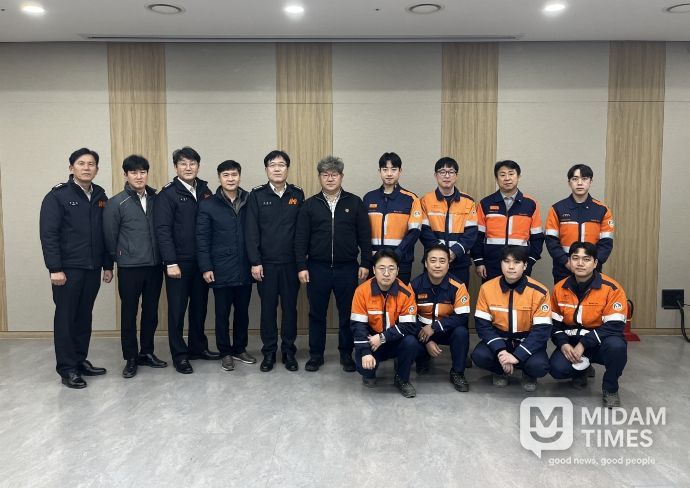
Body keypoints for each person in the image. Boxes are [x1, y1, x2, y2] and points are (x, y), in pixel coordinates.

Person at [39, 147, 113, 388]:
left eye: (91, 164)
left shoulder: (100, 196)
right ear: (71, 168)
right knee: (66, 318)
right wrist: (55, 268)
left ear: (97, 169)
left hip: (92, 268)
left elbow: (105, 234)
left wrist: (107, 265)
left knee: (84, 316)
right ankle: (67, 368)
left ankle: (80, 360)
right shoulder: (57, 196)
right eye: (81, 163)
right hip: (68, 270)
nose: (86, 168)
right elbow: (49, 235)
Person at [295, 155, 372, 372]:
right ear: (319, 177)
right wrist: (301, 266)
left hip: (347, 268)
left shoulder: (354, 202)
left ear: (341, 176)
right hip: (316, 268)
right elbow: (300, 238)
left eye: (334, 174)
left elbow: (365, 236)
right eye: (325, 174)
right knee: (316, 314)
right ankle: (316, 355)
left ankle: (346, 354)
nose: (330, 178)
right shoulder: (310, 205)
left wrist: (365, 262)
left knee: (347, 314)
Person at [155, 146, 219, 375]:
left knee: (200, 307)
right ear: (176, 167)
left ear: (198, 166)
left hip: (202, 261)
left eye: (192, 163)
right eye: (183, 163)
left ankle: (198, 347)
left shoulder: (205, 190)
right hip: (178, 262)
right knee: (177, 310)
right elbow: (162, 230)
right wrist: (170, 262)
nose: (188, 167)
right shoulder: (167, 194)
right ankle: (180, 355)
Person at [103, 155, 166, 379]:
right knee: (129, 314)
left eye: (142, 172)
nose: (139, 176)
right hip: (130, 267)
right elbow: (109, 236)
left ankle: (147, 352)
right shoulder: (116, 203)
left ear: (147, 173)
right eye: (134, 172)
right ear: (126, 175)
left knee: (151, 312)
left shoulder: (158, 199)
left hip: (155, 265)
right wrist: (114, 262)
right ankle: (131, 358)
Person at [548, 241, 628, 408]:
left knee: (617, 348)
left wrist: (584, 343)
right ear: (569, 261)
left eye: (586, 259)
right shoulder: (559, 288)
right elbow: (554, 325)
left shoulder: (612, 289)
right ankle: (581, 370)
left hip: (601, 343)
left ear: (595, 263)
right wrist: (563, 344)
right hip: (572, 343)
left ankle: (610, 388)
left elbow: (614, 326)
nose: (580, 263)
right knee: (557, 369)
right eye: (575, 258)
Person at [245, 150, 304, 372]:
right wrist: (255, 261)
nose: (277, 168)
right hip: (266, 265)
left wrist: (301, 263)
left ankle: (289, 351)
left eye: (281, 165)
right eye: (272, 165)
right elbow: (251, 231)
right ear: (266, 169)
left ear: (287, 169)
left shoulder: (297, 195)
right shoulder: (257, 195)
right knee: (268, 310)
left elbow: (302, 232)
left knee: (290, 309)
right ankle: (269, 352)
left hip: (290, 264)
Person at [197, 160, 254, 372]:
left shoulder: (250, 199)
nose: (231, 179)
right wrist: (206, 267)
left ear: (240, 176)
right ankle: (225, 352)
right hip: (220, 268)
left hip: (245, 266)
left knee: (242, 312)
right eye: (226, 175)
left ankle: (240, 348)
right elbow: (202, 238)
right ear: (219, 178)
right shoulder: (208, 204)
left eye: (234, 175)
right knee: (221, 314)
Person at [471, 246, 552, 392]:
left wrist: (518, 356)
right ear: (500, 264)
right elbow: (483, 326)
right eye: (506, 261)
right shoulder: (487, 288)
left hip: (526, 341)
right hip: (500, 340)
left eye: (517, 262)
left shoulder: (540, 292)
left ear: (525, 265)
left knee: (539, 366)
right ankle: (500, 370)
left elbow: (541, 331)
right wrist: (501, 351)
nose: (511, 267)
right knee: (479, 356)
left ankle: (527, 373)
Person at [350, 250, 419, 397]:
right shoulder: (362, 291)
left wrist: (383, 337)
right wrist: (365, 352)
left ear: (397, 270)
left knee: (411, 342)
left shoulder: (406, 293)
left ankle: (402, 378)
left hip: (394, 339)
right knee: (365, 369)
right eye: (381, 268)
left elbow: (409, 326)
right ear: (374, 270)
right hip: (371, 341)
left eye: (391, 268)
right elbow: (358, 325)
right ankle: (369, 370)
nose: (386, 273)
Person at [410, 244, 471, 392]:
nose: (437, 265)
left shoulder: (458, 286)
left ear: (448, 264)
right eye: (433, 260)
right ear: (426, 263)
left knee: (461, 332)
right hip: (421, 332)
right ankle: (423, 358)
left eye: (442, 261)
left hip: (445, 330)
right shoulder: (414, 285)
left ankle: (457, 372)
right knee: (408, 339)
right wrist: (427, 341)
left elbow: (462, 316)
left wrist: (435, 327)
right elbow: (408, 317)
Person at [471, 160, 544, 281]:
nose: (507, 178)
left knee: (519, 293)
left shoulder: (531, 204)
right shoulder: (485, 203)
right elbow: (477, 236)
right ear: (496, 178)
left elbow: (537, 238)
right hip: (491, 264)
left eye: (511, 174)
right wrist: (479, 261)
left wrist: (530, 261)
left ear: (518, 177)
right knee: (491, 293)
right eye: (502, 174)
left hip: (520, 264)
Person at [545, 163, 614, 283]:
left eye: (584, 179)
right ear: (569, 182)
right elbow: (551, 241)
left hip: (592, 269)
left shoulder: (602, 210)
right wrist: (567, 262)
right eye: (575, 179)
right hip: (563, 268)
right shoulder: (557, 208)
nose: (580, 183)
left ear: (591, 182)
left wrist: (592, 264)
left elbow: (606, 243)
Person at [413, 157, 477, 285]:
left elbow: (471, 233)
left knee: (459, 295)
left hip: (460, 262)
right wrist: (441, 253)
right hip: (433, 261)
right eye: (442, 172)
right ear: (435, 175)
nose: (447, 176)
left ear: (456, 176)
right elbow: (424, 231)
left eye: (451, 172)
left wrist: (454, 252)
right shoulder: (425, 201)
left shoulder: (468, 202)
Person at [362, 152, 420, 284]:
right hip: (374, 262)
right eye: (385, 169)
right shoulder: (369, 198)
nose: (389, 173)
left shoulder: (411, 199)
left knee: (399, 296)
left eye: (393, 169)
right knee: (373, 296)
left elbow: (414, 232)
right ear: (379, 171)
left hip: (401, 261)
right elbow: (363, 232)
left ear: (400, 171)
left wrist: (397, 254)